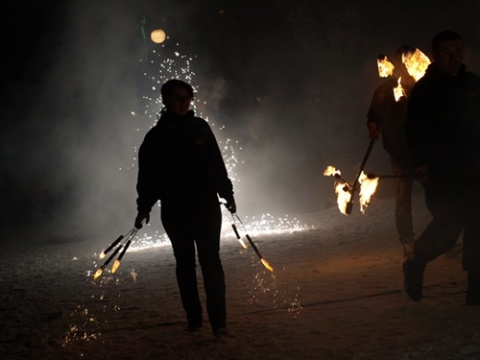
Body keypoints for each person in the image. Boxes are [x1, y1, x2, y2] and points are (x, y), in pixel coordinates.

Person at [134, 79, 237, 337]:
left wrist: (227, 193)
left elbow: (216, 163)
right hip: (176, 209)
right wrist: (144, 206)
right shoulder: (156, 137)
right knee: (185, 264)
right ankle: (194, 319)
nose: (183, 103)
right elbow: (148, 176)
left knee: (211, 262)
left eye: (186, 98)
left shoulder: (201, 129)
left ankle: (219, 323)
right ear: (166, 102)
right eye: (177, 98)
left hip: (205, 206)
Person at [403, 30, 480, 305]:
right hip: (442, 175)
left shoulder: (472, 84)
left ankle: (476, 289)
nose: (454, 57)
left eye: (458, 51)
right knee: (448, 229)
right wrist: (421, 162)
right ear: (435, 56)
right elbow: (414, 132)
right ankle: (416, 260)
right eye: (447, 52)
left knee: (477, 223)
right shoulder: (425, 91)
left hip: (474, 169)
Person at [367, 45, 417, 257]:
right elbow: (373, 115)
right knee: (404, 198)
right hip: (399, 151)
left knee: (439, 193)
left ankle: (445, 236)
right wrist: (372, 126)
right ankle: (407, 240)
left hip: (425, 150)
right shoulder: (386, 90)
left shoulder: (423, 85)